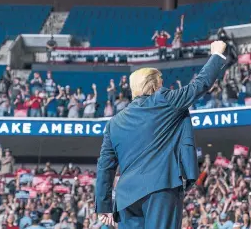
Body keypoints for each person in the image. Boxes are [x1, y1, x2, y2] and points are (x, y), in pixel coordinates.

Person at [95, 41, 228, 228]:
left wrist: (104, 205)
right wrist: (216, 55)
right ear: (154, 85)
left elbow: (104, 166)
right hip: (160, 188)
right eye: (161, 82)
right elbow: (199, 86)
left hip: (126, 198)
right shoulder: (164, 100)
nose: (164, 85)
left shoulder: (114, 122)